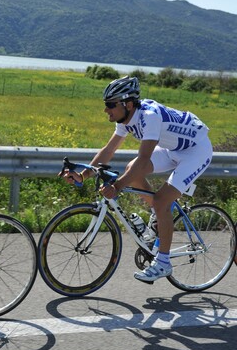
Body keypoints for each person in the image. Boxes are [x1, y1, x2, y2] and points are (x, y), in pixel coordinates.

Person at [60, 76, 212, 283]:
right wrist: (84, 174)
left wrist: (117, 186)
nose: (106, 110)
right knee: (132, 170)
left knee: (160, 200)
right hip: (173, 149)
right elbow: (109, 150)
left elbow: (144, 160)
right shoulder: (126, 119)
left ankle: (163, 263)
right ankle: (157, 218)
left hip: (196, 151)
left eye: (110, 105)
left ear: (128, 104)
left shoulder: (149, 117)